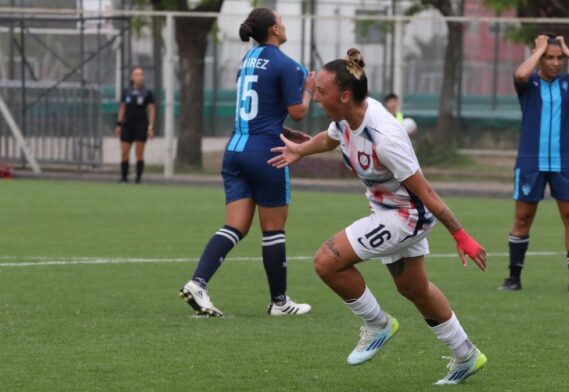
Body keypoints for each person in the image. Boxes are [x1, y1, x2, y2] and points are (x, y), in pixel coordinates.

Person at [269, 49, 488, 385]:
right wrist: (300, 149)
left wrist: (461, 235)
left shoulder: (385, 138)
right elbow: (330, 139)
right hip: (386, 210)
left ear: (344, 96)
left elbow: (427, 193)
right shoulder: (345, 118)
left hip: (407, 215)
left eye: (321, 92)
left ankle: (377, 324)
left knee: (326, 261)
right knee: (414, 289)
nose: (315, 98)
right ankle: (466, 354)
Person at [179, 8, 315, 317]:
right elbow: (298, 111)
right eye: (280, 20)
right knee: (273, 229)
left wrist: (284, 130)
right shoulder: (287, 65)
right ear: (274, 31)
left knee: (236, 225)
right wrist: (308, 89)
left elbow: (256, 110)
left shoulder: (246, 61)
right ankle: (280, 303)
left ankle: (198, 283)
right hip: (267, 154)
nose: (283, 23)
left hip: (235, 150)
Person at [499, 34, 569, 293]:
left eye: (559, 59)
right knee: (522, 217)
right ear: (540, 59)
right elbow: (520, 74)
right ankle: (514, 278)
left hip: (565, 162)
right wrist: (538, 50)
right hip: (530, 161)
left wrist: (568, 51)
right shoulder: (529, 83)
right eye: (550, 58)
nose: (556, 63)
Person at [115, 67, 155, 183]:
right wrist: (118, 125)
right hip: (127, 125)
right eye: (136, 74)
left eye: (141, 74)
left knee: (139, 153)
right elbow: (122, 108)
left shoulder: (147, 92)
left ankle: (138, 179)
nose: (139, 77)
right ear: (132, 77)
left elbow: (152, 110)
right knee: (124, 152)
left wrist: (150, 127)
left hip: (141, 125)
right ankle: (124, 178)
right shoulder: (126, 91)